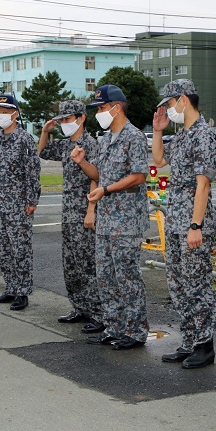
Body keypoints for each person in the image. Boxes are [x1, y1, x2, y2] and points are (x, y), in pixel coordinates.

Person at [70, 85, 149, 350]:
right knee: (106, 277)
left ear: (116, 107)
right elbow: (98, 176)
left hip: (126, 221)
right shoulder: (106, 140)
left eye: (102, 108)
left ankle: (135, 331)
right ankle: (114, 326)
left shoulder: (134, 137)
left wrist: (106, 189)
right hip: (106, 220)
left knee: (127, 277)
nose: (99, 113)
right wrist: (82, 162)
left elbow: (138, 176)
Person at [151, 79, 216, 369]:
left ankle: (205, 345)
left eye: (168, 104)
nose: (167, 110)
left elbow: (202, 185)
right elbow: (159, 159)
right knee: (178, 284)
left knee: (197, 285)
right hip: (176, 220)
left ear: (182, 100)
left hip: (193, 222)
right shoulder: (182, 135)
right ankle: (190, 340)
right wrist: (157, 131)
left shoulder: (203, 135)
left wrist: (196, 226)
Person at [38, 100, 102, 331]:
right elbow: (43, 151)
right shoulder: (67, 145)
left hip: (84, 210)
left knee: (87, 264)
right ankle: (79, 306)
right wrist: (46, 131)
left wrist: (91, 211)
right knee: (71, 263)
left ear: (81, 118)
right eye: (62, 120)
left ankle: (97, 312)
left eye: (68, 119)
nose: (65, 123)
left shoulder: (91, 144)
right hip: (68, 212)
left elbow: (97, 176)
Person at [0, 94, 41, 311]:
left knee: (20, 248)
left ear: (15, 113)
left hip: (20, 202)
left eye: (6, 112)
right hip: (2, 201)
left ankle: (23, 292)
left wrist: (32, 199)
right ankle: (11, 287)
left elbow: (33, 170)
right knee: (4, 248)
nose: (1, 115)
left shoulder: (23, 138)